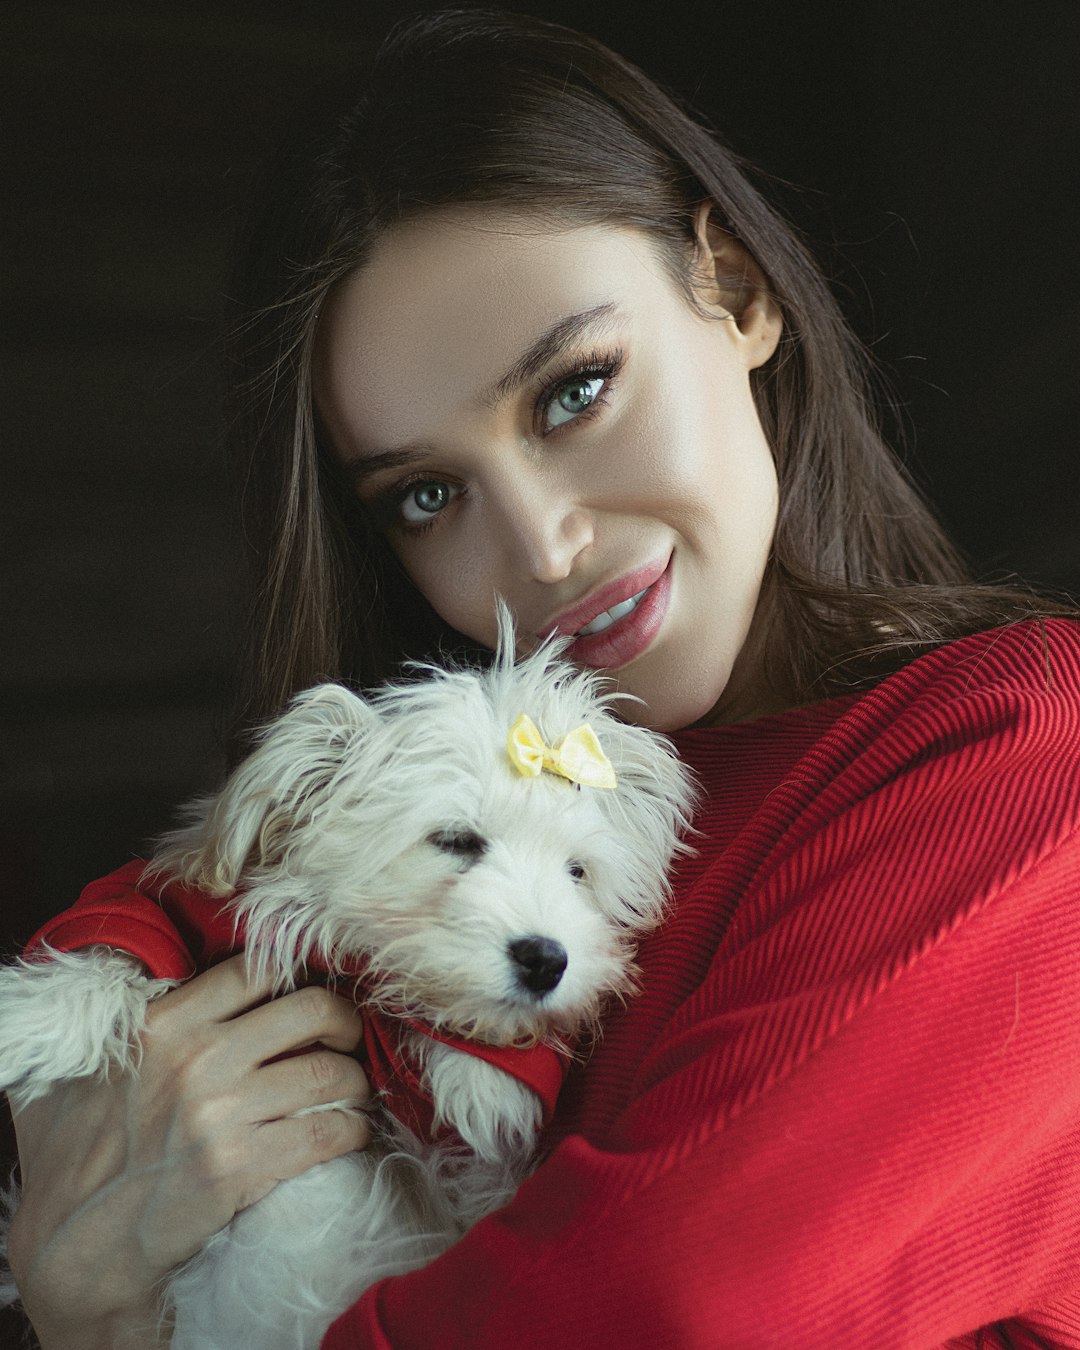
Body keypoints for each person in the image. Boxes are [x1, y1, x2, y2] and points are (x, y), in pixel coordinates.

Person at [7, 9, 1080, 1348]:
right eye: (428, 493)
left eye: (573, 391)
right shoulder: (387, 860)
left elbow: (673, 1309)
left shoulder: (1013, 761)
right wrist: (87, 1292)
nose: (543, 547)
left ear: (739, 290)